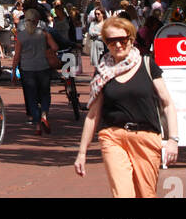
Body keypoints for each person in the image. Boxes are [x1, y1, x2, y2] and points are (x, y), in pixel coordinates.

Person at [75, 15, 179, 198]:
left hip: (146, 138)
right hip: (113, 137)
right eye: (111, 41)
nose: (118, 45)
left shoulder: (147, 64)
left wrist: (173, 140)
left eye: (122, 40)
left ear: (131, 39)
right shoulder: (103, 72)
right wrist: (82, 153)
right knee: (123, 194)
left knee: (146, 195)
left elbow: (167, 103)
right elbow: (93, 114)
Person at [13, 8, 60, 134]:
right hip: (43, 67)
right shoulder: (44, 34)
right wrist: (47, 51)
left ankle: (38, 125)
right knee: (45, 93)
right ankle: (44, 113)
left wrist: (13, 71)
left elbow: (17, 56)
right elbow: (55, 47)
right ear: (37, 20)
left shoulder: (21, 36)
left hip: (27, 69)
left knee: (31, 97)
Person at [86, 5, 108, 69]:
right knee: (96, 64)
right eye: (96, 14)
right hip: (94, 45)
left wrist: (98, 35)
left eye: (98, 14)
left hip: (104, 46)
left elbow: (106, 34)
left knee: (103, 63)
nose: (97, 15)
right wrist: (99, 33)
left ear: (103, 14)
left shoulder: (106, 23)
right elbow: (90, 32)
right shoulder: (93, 23)